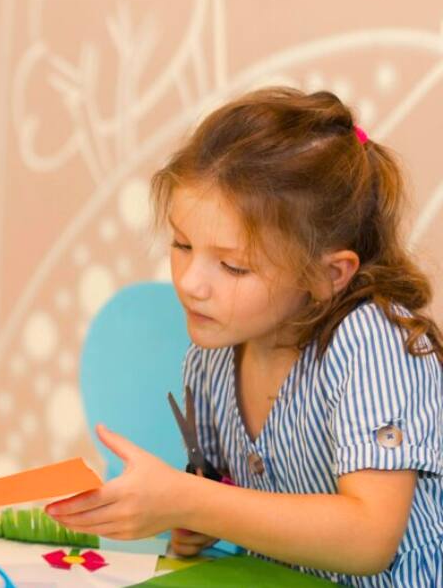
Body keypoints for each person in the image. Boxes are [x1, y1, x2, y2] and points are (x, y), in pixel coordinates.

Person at [48, 87, 443, 585]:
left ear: (328, 275)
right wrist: (195, 521)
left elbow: (370, 538)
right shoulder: (213, 356)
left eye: (233, 266)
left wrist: (189, 499)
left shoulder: (373, 346)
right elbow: (231, 498)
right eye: (182, 244)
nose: (191, 283)